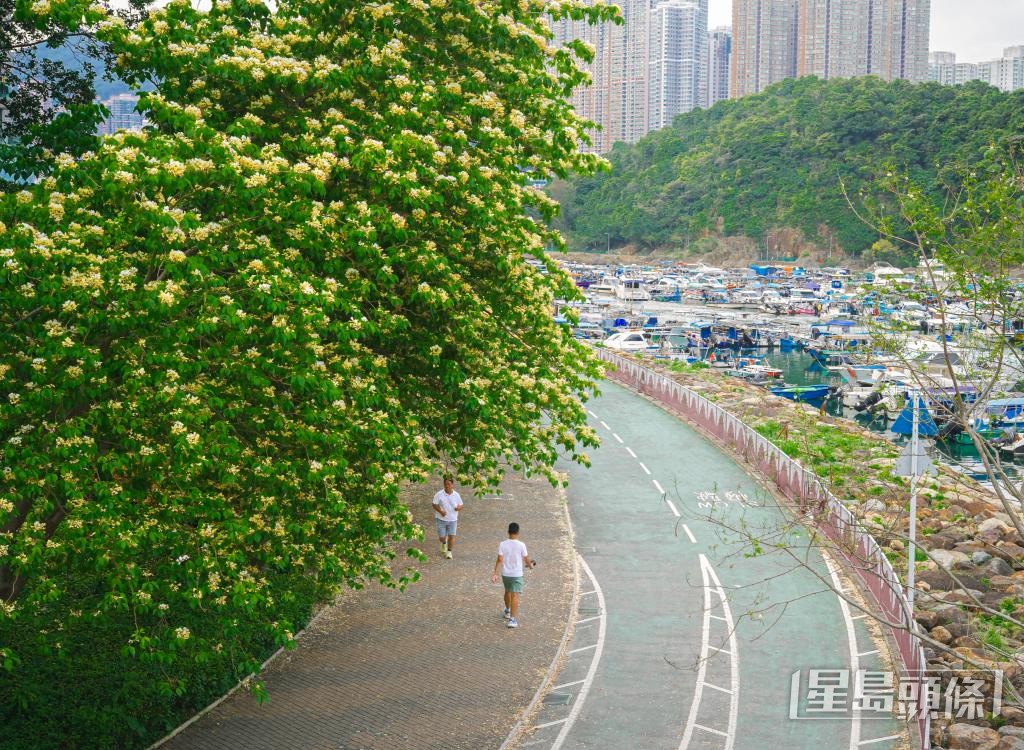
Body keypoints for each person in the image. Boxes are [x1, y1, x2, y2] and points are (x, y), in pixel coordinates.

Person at [491, 522, 535, 629]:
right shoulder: (521, 545)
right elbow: (526, 559)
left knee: (507, 591)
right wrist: (530, 565)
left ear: (508, 532)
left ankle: (507, 610)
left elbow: (500, 559)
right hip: (516, 574)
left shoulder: (502, 544)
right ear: (518, 532)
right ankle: (512, 619)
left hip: (506, 574)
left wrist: (495, 573)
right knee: (515, 595)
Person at [431, 476, 463, 560]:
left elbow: (461, 504)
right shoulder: (439, 494)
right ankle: (443, 543)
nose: (447, 486)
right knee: (442, 537)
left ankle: (449, 552)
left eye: (449, 484)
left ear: (452, 485)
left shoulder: (456, 495)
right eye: (445, 484)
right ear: (443, 485)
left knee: (452, 536)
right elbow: (434, 504)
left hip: (453, 519)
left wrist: (458, 508)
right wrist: (441, 511)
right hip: (441, 519)